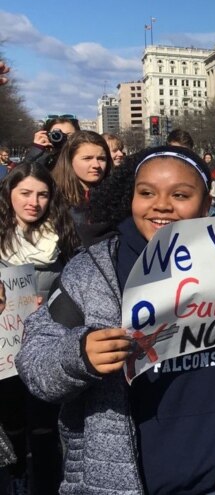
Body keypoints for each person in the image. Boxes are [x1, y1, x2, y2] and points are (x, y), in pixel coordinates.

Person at [16, 146, 215, 495]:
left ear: (205, 202)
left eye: (180, 195)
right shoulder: (91, 272)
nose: (161, 205)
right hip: (121, 484)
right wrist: (79, 355)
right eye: (146, 193)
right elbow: (35, 364)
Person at [0, 163, 80, 495]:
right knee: (11, 423)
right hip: (4, 354)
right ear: (9, 195)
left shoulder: (65, 235)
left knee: (46, 426)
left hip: (48, 348)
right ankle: (15, 478)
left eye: (42, 194)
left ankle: (47, 485)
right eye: (25, 193)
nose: (33, 202)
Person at [51, 131, 111, 242]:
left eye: (101, 159)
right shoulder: (53, 197)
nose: (96, 165)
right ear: (70, 160)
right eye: (87, 158)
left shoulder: (115, 197)